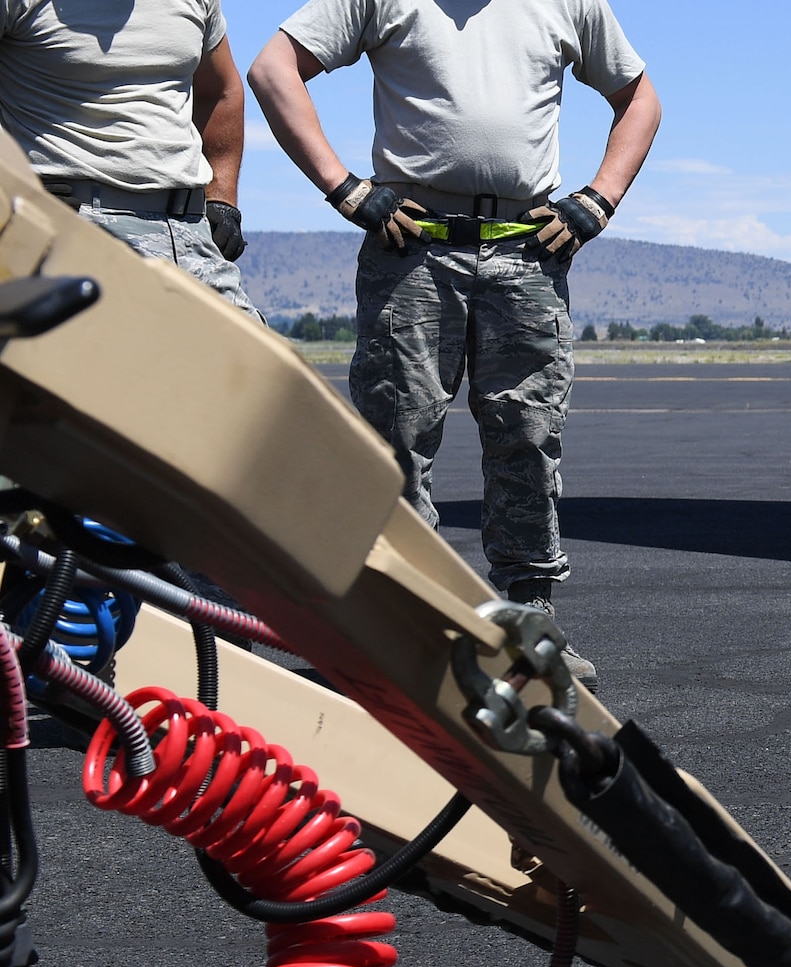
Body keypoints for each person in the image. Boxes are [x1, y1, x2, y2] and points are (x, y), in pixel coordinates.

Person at [248, 0, 662, 689]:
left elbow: (640, 96)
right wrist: (344, 189)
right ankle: (404, 626)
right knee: (396, 442)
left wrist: (599, 199)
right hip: (412, 251)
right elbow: (272, 69)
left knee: (528, 438)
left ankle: (531, 625)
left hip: (525, 254)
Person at [0, 0, 260, 317]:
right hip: (68, 232)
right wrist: (11, 188)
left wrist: (222, 199)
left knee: (260, 365)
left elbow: (220, 91)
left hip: (189, 234)